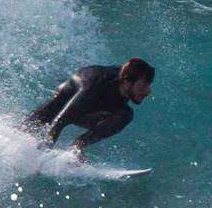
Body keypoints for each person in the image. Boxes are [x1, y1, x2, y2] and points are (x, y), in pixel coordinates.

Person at [24, 58, 155, 157]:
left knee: (125, 115)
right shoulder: (93, 89)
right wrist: (43, 154)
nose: (148, 91)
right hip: (64, 102)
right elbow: (60, 122)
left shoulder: (128, 79)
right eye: (143, 86)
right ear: (126, 82)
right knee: (28, 129)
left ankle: (76, 146)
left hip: (94, 109)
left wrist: (78, 149)